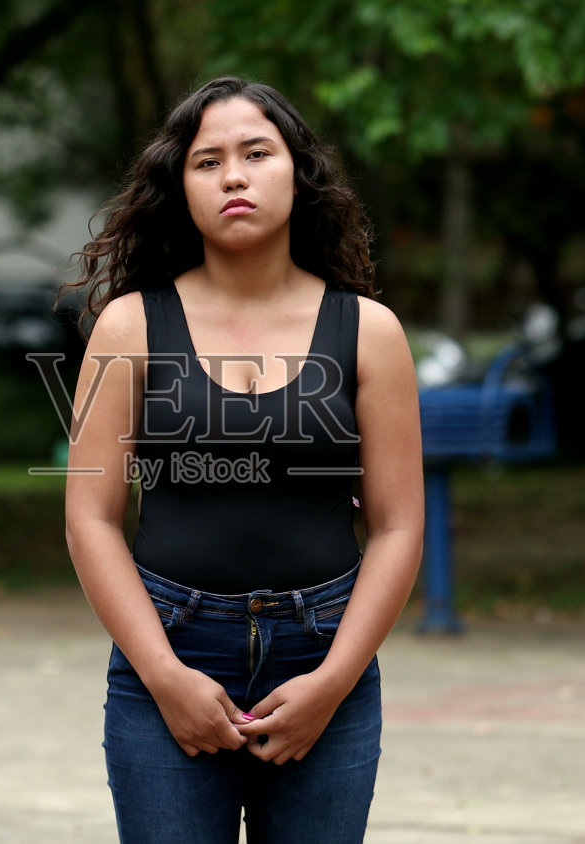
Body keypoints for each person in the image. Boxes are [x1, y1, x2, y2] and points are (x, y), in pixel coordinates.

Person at [62, 76, 423, 844]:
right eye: (207, 161)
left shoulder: (369, 332)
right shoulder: (130, 327)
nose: (234, 176)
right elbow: (90, 518)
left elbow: (397, 528)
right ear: (179, 187)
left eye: (256, 153)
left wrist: (332, 685)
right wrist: (164, 678)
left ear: (298, 170)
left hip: (326, 654)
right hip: (171, 652)